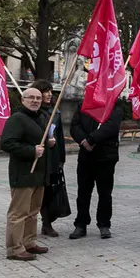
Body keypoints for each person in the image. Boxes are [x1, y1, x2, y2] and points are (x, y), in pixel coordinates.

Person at [0, 88, 52, 261]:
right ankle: (14, 248)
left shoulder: (41, 117)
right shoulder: (17, 119)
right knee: (18, 213)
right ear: (23, 100)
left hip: (38, 174)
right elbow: (7, 143)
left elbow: (40, 141)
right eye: (31, 97)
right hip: (23, 174)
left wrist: (49, 143)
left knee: (33, 211)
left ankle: (29, 242)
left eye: (38, 98)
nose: (35, 100)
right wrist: (31, 151)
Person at [69, 99, 123, 240]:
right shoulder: (83, 104)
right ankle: (81, 224)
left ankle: (104, 224)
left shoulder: (113, 103)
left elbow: (111, 126)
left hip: (106, 157)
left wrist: (91, 140)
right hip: (86, 156)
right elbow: (75, 126)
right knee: (83, 192)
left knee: (105, 193)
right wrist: (83, 140)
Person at [30, 80, 66, 238]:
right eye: (46, 91)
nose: (50, 94)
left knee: (52, 190)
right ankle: (45, 223)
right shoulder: (33, 113)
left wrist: (61, 157)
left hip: (53, 155)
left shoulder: (55, 112)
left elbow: (60, 136)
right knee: (41, 191)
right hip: (40, 156)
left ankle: (48, 221)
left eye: (50, 91)